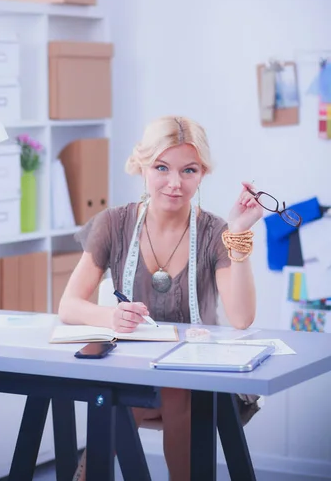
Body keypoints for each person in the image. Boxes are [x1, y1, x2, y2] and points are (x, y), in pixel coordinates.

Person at [59, 115, 264, 481]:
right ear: (141, 166)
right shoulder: (114, 224)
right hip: (136, 374)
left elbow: (242, 317)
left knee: (176, 388)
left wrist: (238, 235)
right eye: (161, 168)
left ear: (202, 174)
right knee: (127, 386)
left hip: (196, 382)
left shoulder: (214, 231)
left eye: (189, 170)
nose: (174, 183)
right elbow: (69, 305)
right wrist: (111, 317)